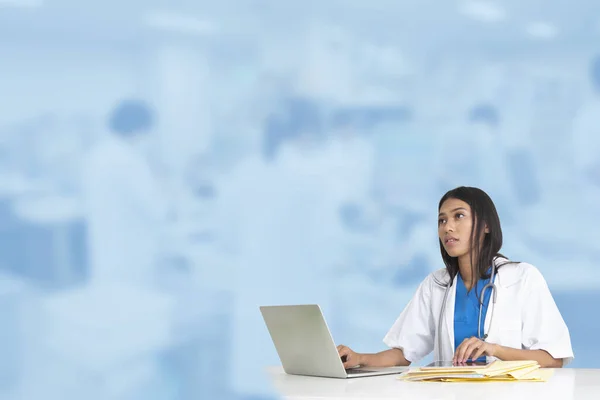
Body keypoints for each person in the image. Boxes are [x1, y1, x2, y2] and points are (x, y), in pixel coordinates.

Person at [337, 186, 574, 368]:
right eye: (442, 220)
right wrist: (358, 358)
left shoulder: (522, 278)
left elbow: (553, 359)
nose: (448, 227)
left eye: (458, 216)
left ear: (486, 226)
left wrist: (493, 349)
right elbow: (403, 353)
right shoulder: (436, 284)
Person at [82, 99, 169, 287]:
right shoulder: (130, 161)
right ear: (140, 129)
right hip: (131, 252)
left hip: (105, 246)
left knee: (112, 299)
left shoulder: (96, 154)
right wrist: (162, 183)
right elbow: (157, 210)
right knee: (134, 303)